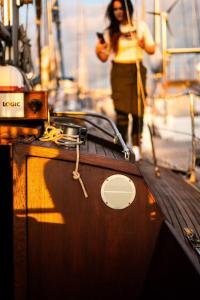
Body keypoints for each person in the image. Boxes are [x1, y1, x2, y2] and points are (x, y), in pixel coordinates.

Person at [95, 0, 155, 160]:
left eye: (121, 8)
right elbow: (103, 57)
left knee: (138, 110)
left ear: (128, 8)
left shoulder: (140, 26)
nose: (118, 12)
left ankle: (137, 147)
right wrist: (98, 50)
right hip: (119, 71)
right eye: (115, 9)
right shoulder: (110, 31)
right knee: (121, 112)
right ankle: (123, 147)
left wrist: (143, 45)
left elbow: (152, 49)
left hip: (136, 70)